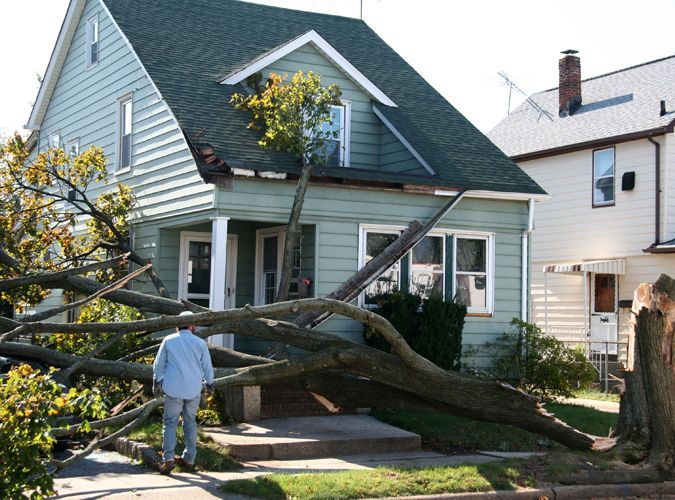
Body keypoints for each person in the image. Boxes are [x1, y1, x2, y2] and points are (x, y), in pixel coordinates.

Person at [153, 310, 214, 474]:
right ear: (191, 325)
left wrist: (157, 381)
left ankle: (168, 458)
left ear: (178, 326)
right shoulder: (199, 343)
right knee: (190, 423)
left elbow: (159, 364)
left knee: (170, 423)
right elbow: (207, 366)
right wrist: (210, 383)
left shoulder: (169, 340)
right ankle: (189, 459)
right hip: (193, 389)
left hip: (173, 388)